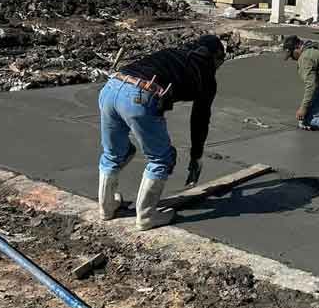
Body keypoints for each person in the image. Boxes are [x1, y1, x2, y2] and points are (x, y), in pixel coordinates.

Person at [97, 34, 226, 231]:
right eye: (220, 61)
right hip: (138, 96)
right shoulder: (206, 74)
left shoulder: (173, 54)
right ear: (215, 57)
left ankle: (106, 209)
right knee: (161, 159)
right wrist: (196, 156)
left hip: (111, 87)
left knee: (114, 153)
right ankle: (147, 216)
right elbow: (200, 119)